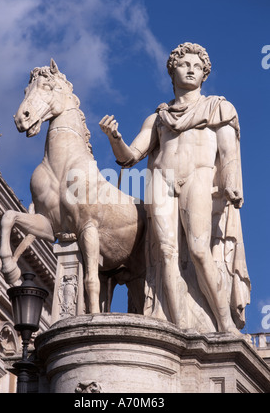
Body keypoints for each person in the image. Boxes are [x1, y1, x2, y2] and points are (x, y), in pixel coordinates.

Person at [99, 42, 250, 334]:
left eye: (197, 66)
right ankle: (178, 327)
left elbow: (228, 153)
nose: (191, 69)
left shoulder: (218, 107)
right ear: (172, 72)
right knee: (166, 253)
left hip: (199, 177)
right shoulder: (157, 118)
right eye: (184, 64)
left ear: (205, 74)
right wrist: (114, 137)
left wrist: (232, 183)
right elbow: (129, 158)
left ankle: (224, 322)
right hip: (162, 181)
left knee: (198, 249)